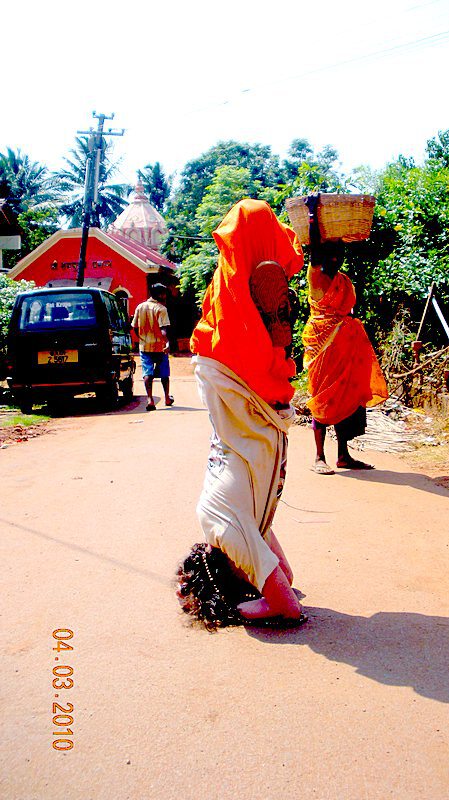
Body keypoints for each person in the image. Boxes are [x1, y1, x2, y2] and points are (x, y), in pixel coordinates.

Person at [176, 199, 305, 630]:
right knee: (245, 517)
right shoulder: (250, 285)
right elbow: (275, 357)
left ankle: (275, 597)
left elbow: (252, 355)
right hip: (254, 426)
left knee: (230, 516)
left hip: (251, 429)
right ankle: (272, 584)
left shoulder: (247, 286)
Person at [302, 193, 388, 475]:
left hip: (344, 346)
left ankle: (343, 455)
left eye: (341, 253)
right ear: (324, 256)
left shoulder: (342, 280)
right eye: (333, 253)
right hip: (322, 346)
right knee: (323, 397)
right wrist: (313, 214)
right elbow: (314, 246)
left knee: (346, 399)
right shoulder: (317, 274)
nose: (338, 257)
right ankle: (318, 457)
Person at [132, 283, 175, 411]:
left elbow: (134, 326)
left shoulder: (140, 307)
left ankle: (150, 399)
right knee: (164, 373)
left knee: (147, 372)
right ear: (160, 295)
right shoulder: (161, 309)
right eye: (164, 294)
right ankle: (167, 398)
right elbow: (163, 330)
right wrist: (167, 343)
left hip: (144, 346)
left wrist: (141, 338)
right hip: (160, 347)